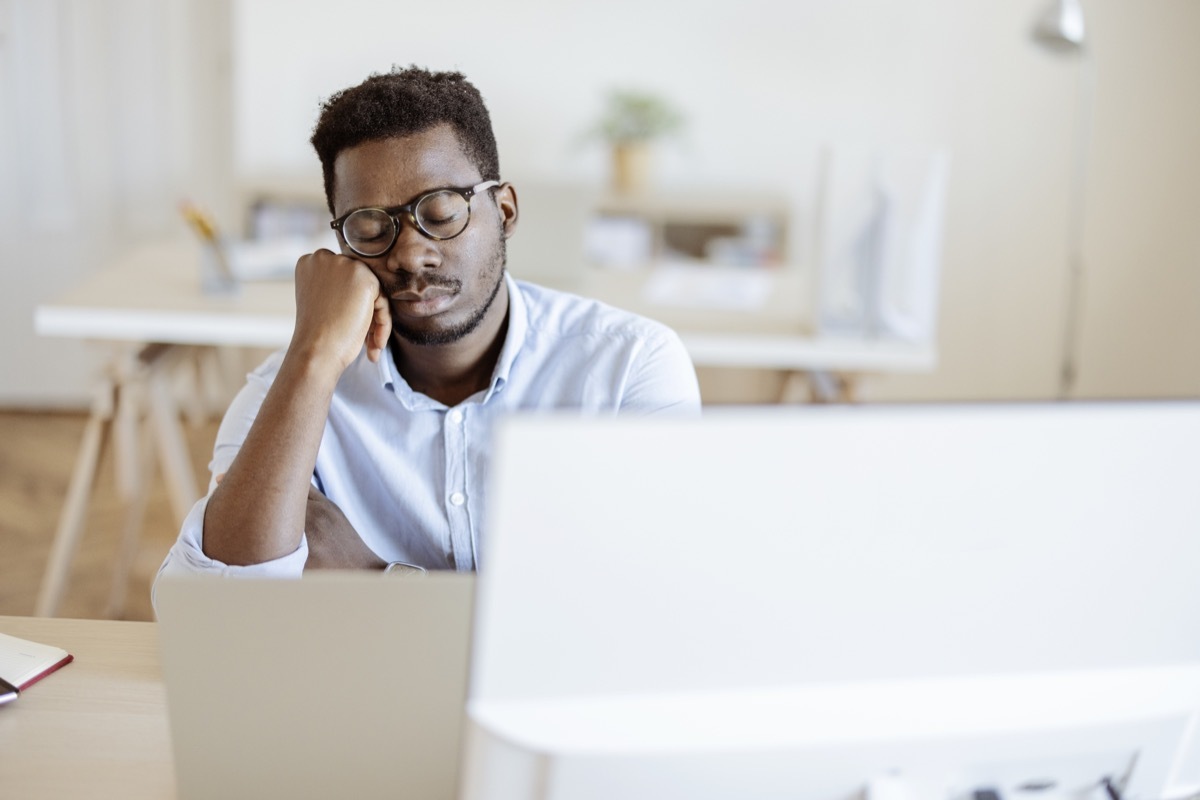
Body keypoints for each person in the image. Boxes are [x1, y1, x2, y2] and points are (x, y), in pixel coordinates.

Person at [155, 66, 700, 582]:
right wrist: (313, 356)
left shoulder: (630, 365)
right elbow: (216, 596)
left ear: (505, 212)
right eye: (370, 228)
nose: (412, 254)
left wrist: (375, 578)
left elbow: (651, 594)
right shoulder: (291, 388)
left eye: (441, 214)